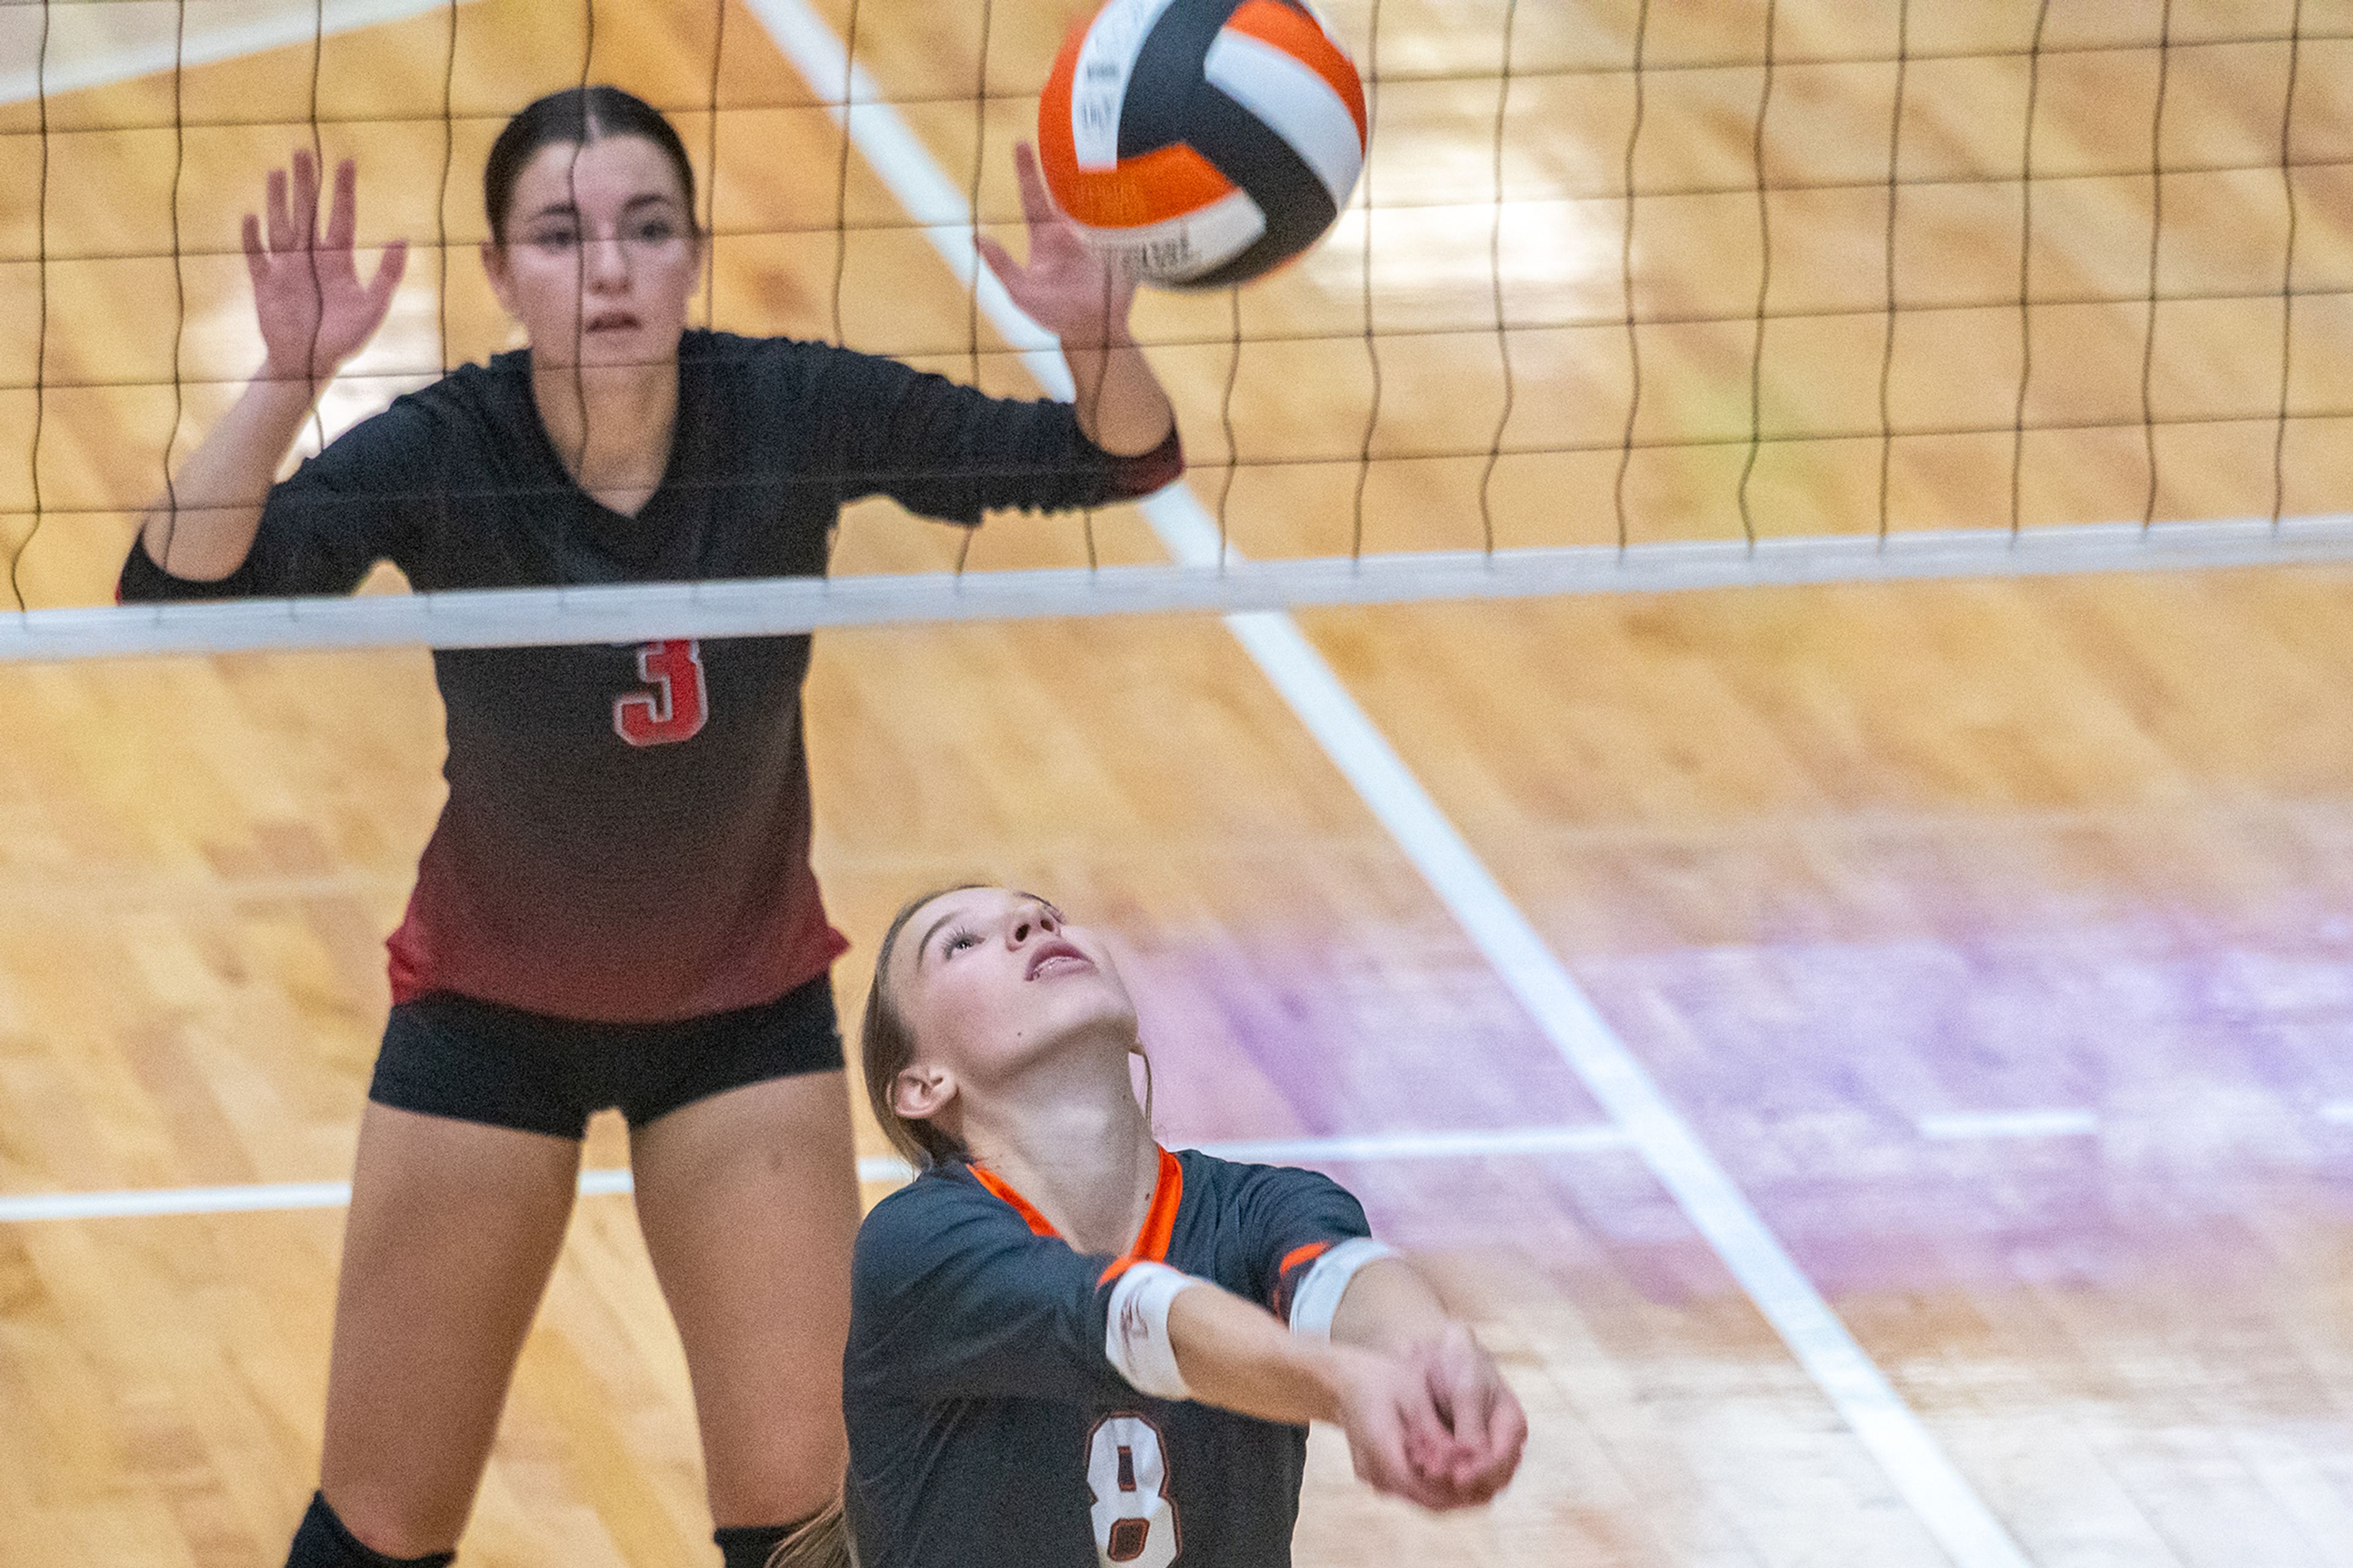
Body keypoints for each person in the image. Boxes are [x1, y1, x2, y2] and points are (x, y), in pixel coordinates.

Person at [115, 87, 1181, 1568]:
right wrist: (286, 380)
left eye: (644, 228)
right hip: (484, 1021)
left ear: (690, 258)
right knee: (378, 1524)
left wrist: (1097, 336)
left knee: (806, 1524)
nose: (606, 267)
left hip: (737, 1022)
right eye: (559, 235)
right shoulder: (448, 446)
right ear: (500, 273)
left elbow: (1111, 458)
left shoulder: (785, 411)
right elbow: (168, 600)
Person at [827, 884, 1528, 1567]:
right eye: (961, 942)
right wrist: (1345, 1384)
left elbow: (1349, 1281)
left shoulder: (1263, 1205)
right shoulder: (915, 1245)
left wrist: (1429, 1360)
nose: (1031, 923)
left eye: (1045, 914)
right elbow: (1126, 1316)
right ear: (924, 1086)